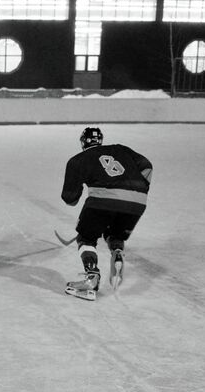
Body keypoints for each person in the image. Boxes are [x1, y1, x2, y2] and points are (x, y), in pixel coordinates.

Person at [60, 127, 152, 301]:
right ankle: (117, 251)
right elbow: (147, 166)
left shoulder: (78, 160)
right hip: (137, 202)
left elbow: (69, 198)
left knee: (86, 238)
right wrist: (140, 188)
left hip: (103, 201)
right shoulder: (120, 149)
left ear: (82, 142)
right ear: (100, 140)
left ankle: (91, 278)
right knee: (114, 234)